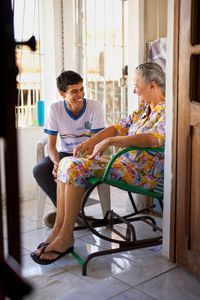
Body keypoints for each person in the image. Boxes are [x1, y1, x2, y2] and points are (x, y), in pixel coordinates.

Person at [31, 62, 166, 265]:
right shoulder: (143, 109)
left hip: (141, 173)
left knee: (74, 166)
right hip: (123, 164)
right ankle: (59, 229)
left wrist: (112, 141)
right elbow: (117, 127)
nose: (134, 89)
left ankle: (66, 236)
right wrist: (90, 141)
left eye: (137, 85)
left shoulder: (167, 111)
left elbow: (152, 139)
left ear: (152, 85)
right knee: (67, 162)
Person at [33, 70, 105, 227]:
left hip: (89, 154)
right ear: (62, 93)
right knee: (39, 170)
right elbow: (51, 145)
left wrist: (76, 160)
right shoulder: (55, 109)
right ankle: (73, 215)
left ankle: (65, 216)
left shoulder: (95, 107)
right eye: (74, 91)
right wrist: (57, 164)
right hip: (64, 154)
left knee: (77, 171)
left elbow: (96, 141)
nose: (80, 95)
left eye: (81, 89)